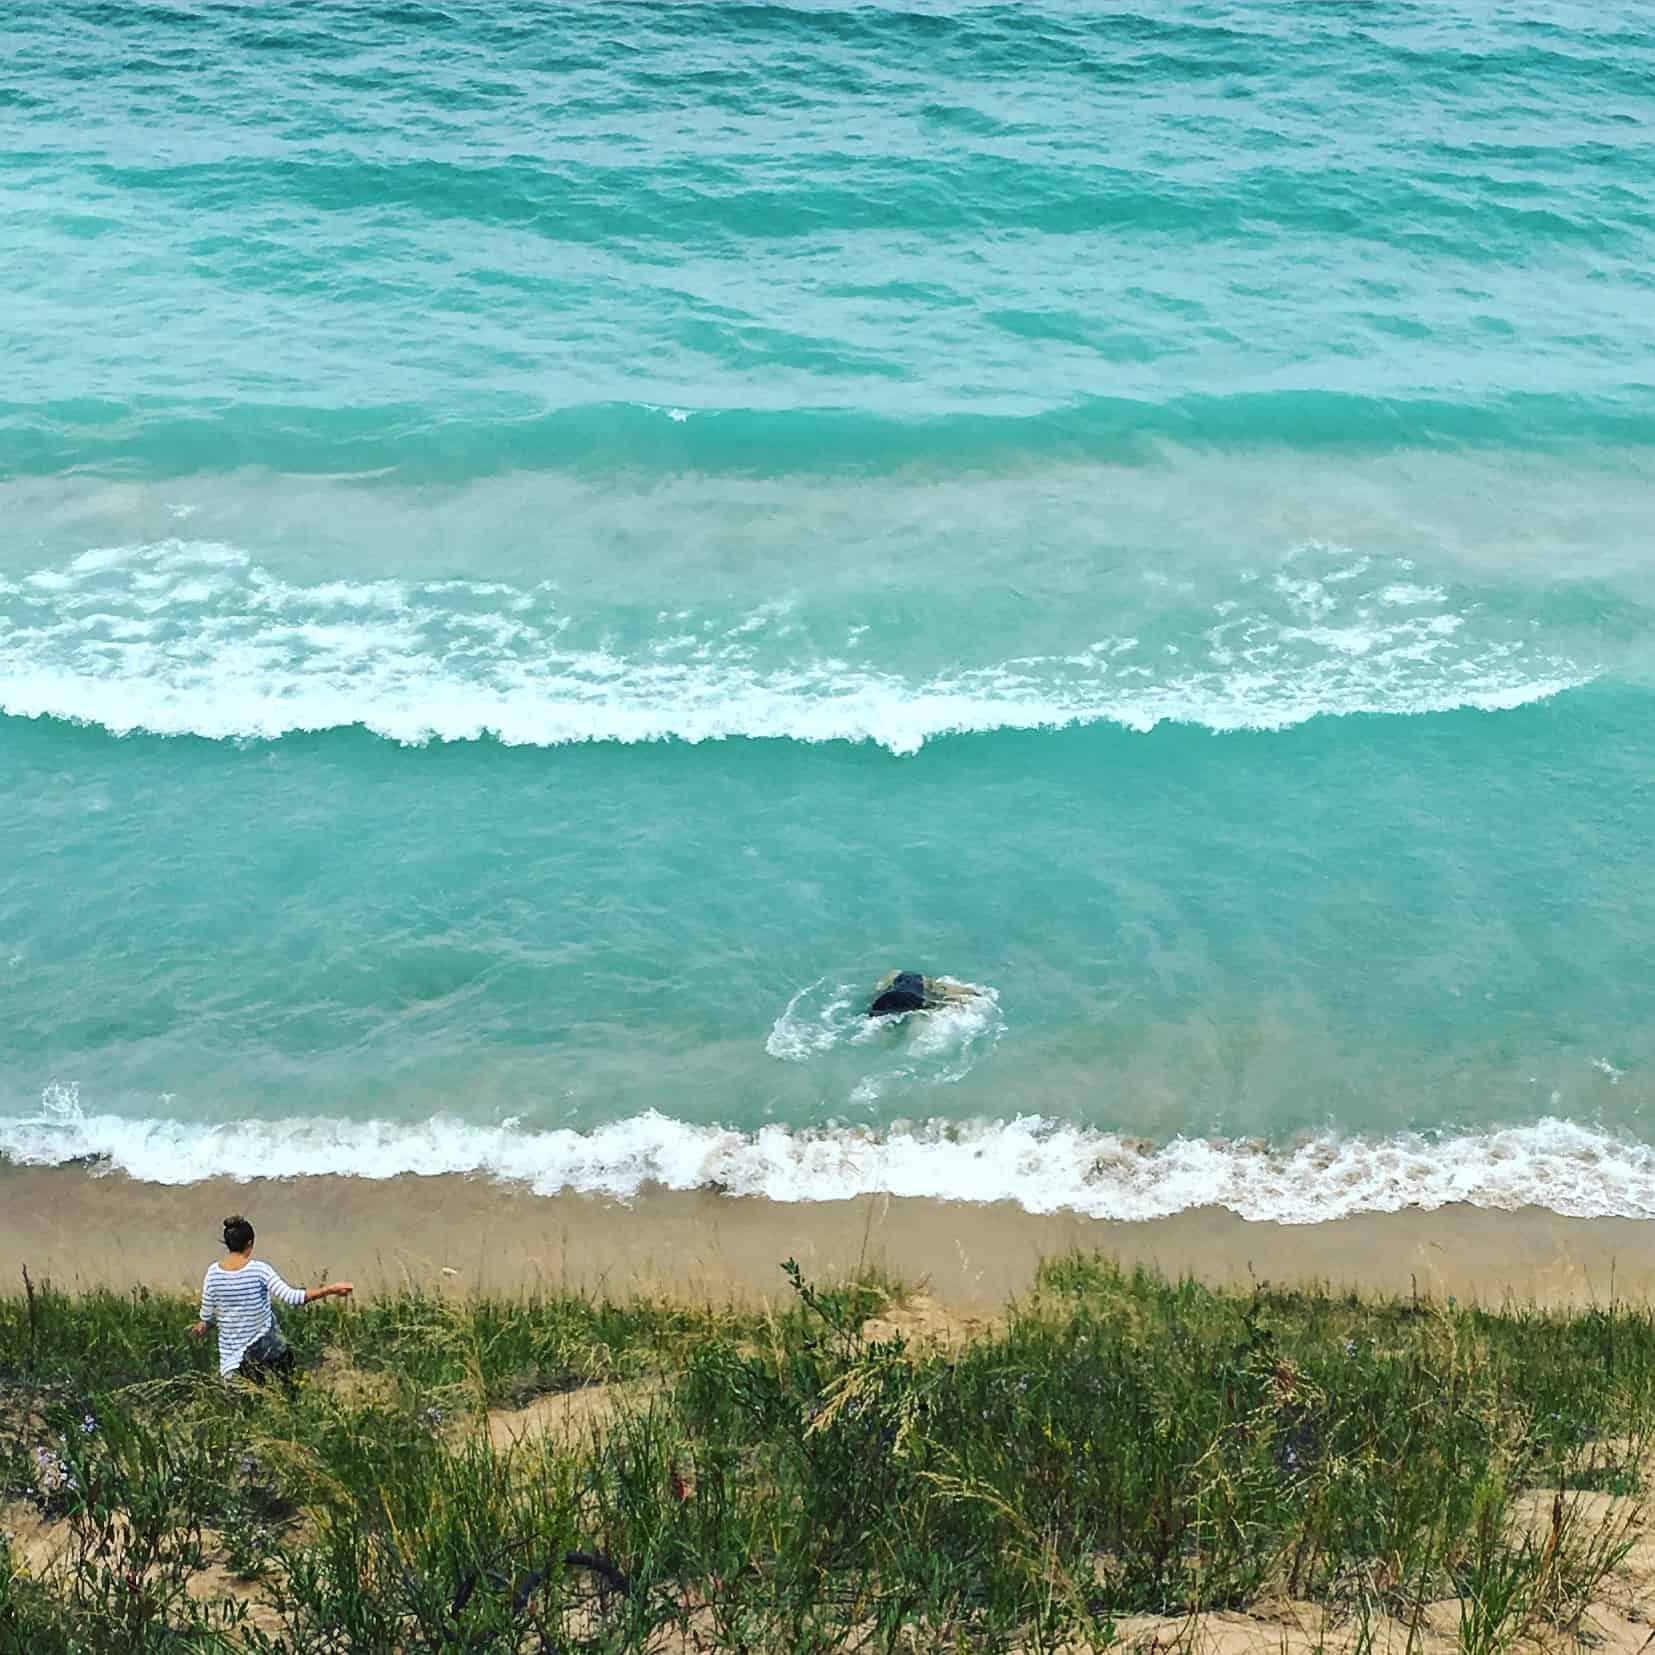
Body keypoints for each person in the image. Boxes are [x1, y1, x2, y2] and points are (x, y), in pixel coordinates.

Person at [188, 1214, 352, 1384]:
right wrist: (330, 1289)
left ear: (228, 1244)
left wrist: (206, 1325)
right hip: (268, 1351)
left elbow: (206, 1316)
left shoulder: (213, 1273)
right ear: (250, 1243)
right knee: (287, 1394)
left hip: (233, 1363)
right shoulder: (259, 1270)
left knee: (249, 1405)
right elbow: (292, 1297)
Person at [866, 970, 980, 1017]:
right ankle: (959, 1002)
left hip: (886, 999)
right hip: (911, 997)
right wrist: (972, 992)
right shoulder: (924, 981)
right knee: (935, 1003)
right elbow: (947, 988)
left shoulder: (889, 980)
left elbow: (878, 992)